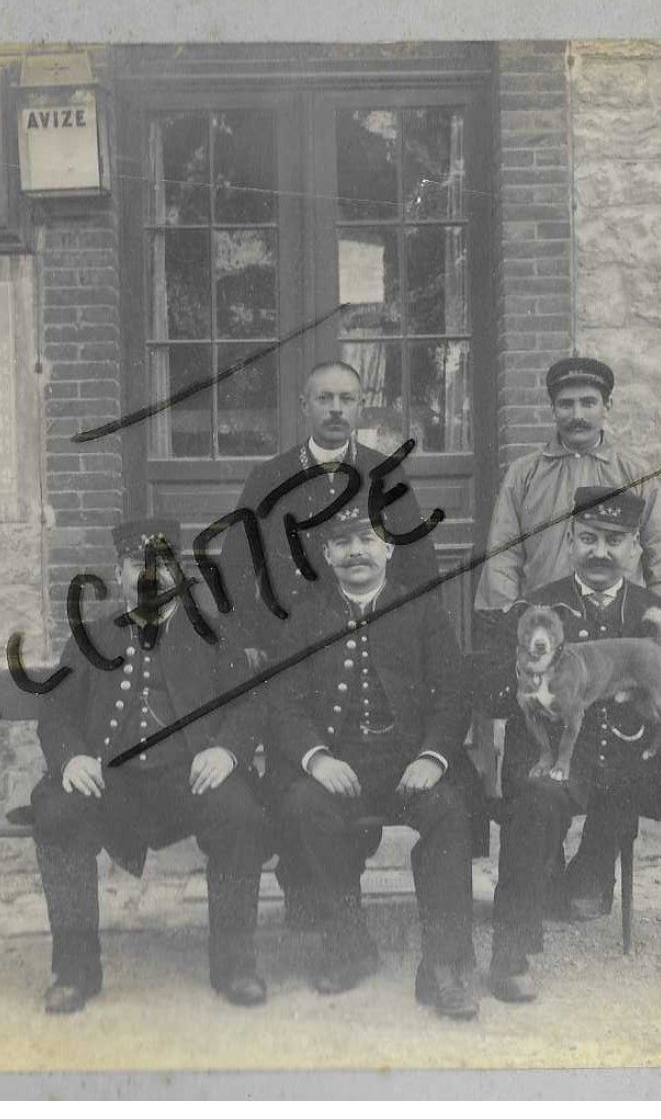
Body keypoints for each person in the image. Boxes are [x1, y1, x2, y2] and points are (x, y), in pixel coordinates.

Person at [488, 486, 661, 1004]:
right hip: (572, 766)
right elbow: (498, 691)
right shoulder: (538, 611)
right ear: (569, 542)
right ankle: (511, 953)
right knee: (534, 795)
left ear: (635, 547)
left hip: (640, 764)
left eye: (615, 540)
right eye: (588, 539)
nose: (601, 552)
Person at [221, 359, 443, 925]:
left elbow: (419, 573)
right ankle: (308, 895)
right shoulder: (268, 480)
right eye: (325, 399)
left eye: (347, 399)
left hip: (371, 649)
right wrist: (249, 642)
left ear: (361, 403)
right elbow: (235, 573)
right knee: (299, 788)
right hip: (294, 663)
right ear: (305, 406)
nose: (337, 410)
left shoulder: (384, 475)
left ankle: (336, 898)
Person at [30, 516, 269, 1014]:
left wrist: (225, 750)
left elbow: (248, 704)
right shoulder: (90, 637)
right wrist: (72, 757)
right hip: (111, 785)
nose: (151, 577)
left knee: (240, 811)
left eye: (163, 567)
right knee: (54, 807)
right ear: (118, 573)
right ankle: (75, 971)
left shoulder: (211, 634)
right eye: (139, 565)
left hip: (189, 781)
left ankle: (235, 965)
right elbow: (55, 711)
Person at [259, 503, 479, 1019]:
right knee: (302, 805)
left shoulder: (421, 609)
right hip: (338, 763)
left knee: (449, 810)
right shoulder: (307, 617)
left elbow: (452, 692)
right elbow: (283, 701)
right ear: (329, 554)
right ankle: (349, 941)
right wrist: (315, 758)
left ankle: (445, 966)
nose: (356, 550)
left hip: (409, 762)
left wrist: (431, 757)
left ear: (389, 548)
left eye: (367, 539)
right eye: (343, 541)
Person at [472, 356, 661, 617]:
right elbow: (502, 560)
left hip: (621, 629)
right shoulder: (523, 475)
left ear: (607, 406)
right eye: (565, 404)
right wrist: (507, 625)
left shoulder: (635, 475)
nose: (577, 416)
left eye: (588, 403)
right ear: (552, 409)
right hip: (548, 625)